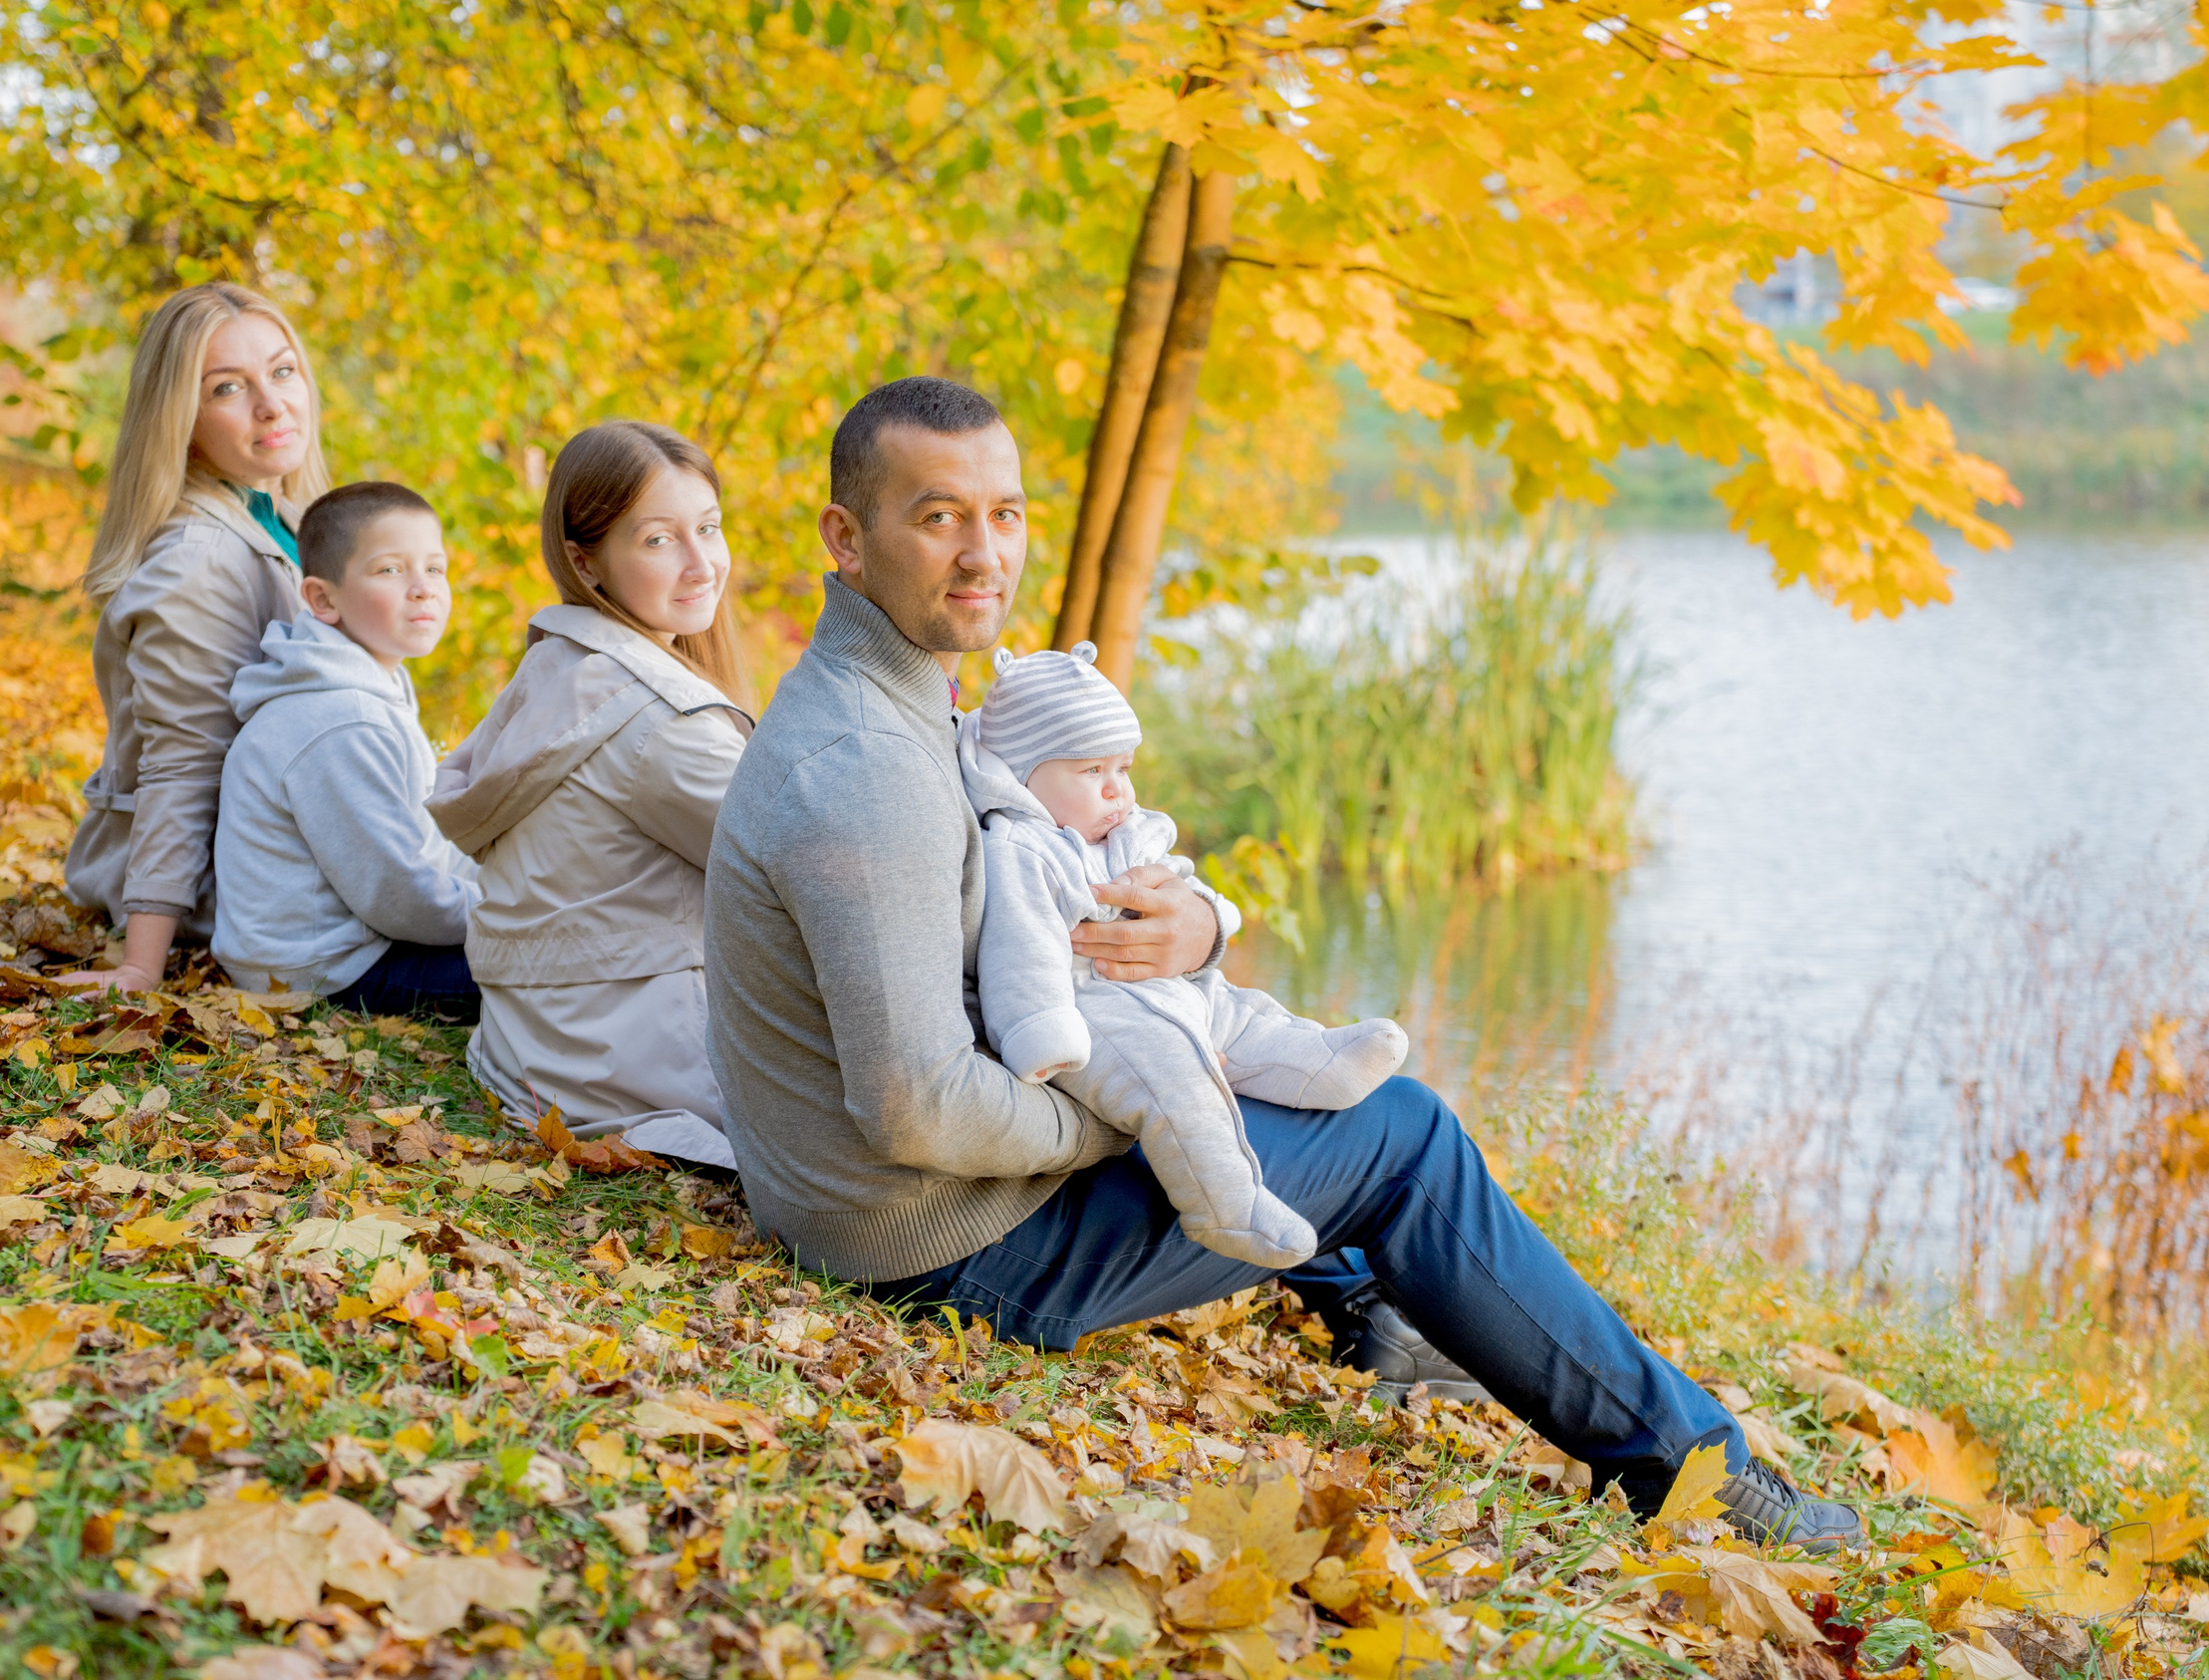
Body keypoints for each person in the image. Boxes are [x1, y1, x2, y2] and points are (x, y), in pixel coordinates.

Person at [703, 376, 1862, 1547]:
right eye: (938, 515)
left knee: (1258, 1061)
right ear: (846, 540)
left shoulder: (902, 700)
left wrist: (1197, 928)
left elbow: (1057, 880)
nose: (982, 551)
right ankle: (1698, 1473)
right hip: (932, 1247)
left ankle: (1379, 1305)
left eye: (1002, 512)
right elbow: (915, 1105)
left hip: (906, 1200)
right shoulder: (863, 768)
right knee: (1405, 1133)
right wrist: (1148, 1113)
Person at [962, 639, 1409, 1267]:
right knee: (1174, 1074)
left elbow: (1177, 879)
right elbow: (1021, 951)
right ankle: (1225, 1203)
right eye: (1093, 772)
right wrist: (1039, 1033)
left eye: (1123, 768)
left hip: (1164, 986)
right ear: (1023, 772)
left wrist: (1210, 915)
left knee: (1238, 1010)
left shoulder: (1124, 827)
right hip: (1092, 1011)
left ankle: (1314, 1061)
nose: (1117, 790)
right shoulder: (1022, 850)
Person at [426, 422, 750, 1170]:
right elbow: (812, 874)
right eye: (659, 540)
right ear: (586, 561)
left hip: (534, 1050)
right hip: (629, 1071)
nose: (703, 563)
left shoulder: (560, 670)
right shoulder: (657, 721)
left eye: (709, 527)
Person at [64, 283, 329, 991]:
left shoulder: (290, 519)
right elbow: (183, 763)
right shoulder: (196, 560)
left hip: (289, 857)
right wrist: (142, 964)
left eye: (281, 371)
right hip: (230, 895)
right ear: (180, 420)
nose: (272, 405)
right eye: (227, 389)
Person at [211, 481, 479, 1020]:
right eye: (390, 570)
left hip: (354, 943)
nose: (423, 588)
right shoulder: (340, 722)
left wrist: (503, 886)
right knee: (555, 969)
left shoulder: (370, 686)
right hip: (320, 972)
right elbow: (400, 896)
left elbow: (422, 844)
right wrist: (518, 915)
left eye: (435, 568)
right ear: (323, 599)